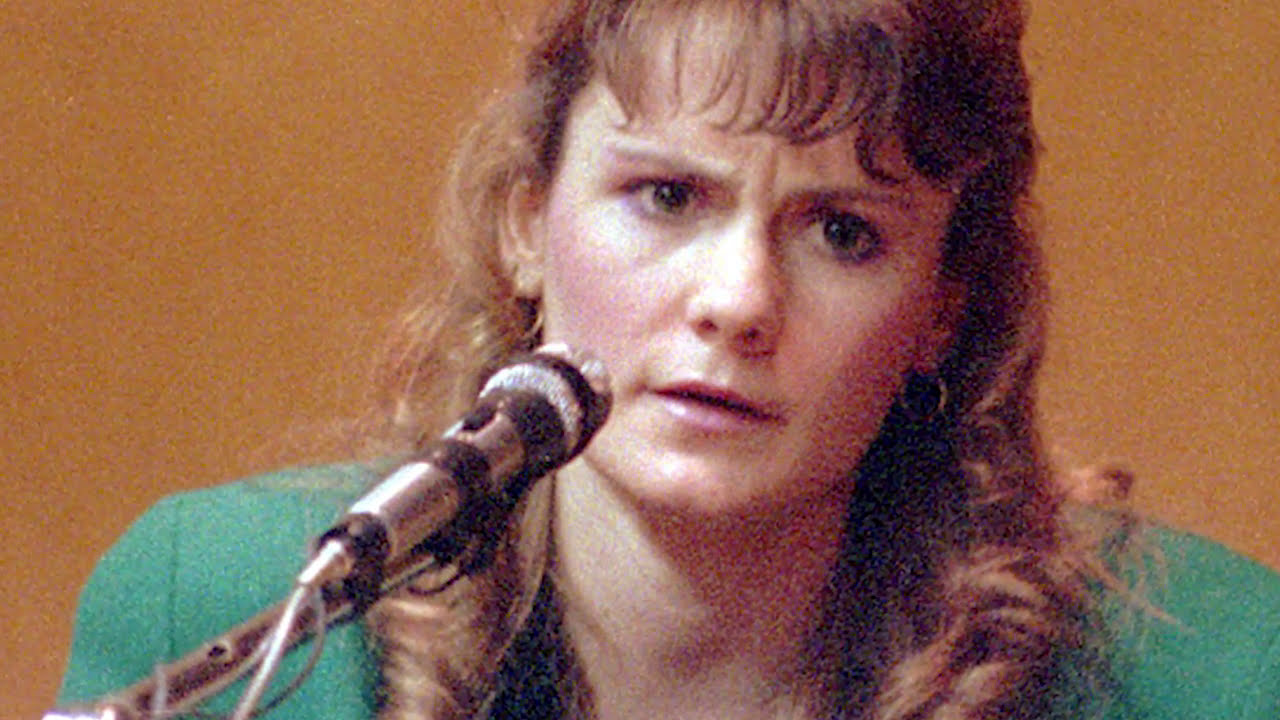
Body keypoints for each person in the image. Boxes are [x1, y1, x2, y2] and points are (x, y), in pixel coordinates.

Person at [57, 1, 1280, 719]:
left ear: (939, 314)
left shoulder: (1213, 673)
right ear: (525, 225)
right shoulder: (228, 612)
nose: (738, 301)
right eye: (665, 197)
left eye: (841, 232)